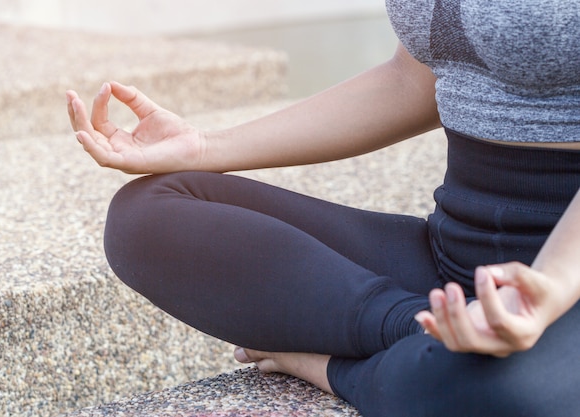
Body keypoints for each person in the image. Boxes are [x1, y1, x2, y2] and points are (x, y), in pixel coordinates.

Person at [66, 1, 580, 415]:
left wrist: (554, 284)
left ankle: (349, 361)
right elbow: (412, 80)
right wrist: (204, 148)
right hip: (454, 253)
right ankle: (421, 327)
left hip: (569, 275)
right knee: (148, 215)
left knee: (502, 395)